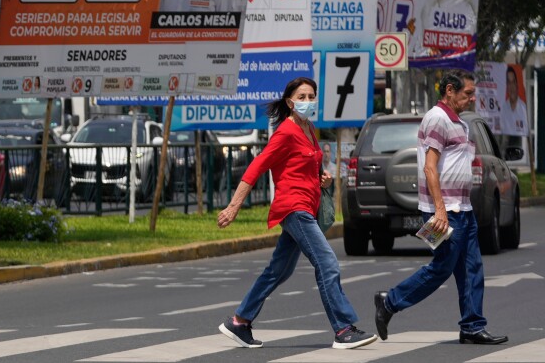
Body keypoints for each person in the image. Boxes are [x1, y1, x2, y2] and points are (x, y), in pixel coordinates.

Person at [217, 77, 377, 350]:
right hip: (294, 208)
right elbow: (257, 166)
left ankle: (239, 321)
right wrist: (234, 206)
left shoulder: (309, 129)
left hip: (307, 207)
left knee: (278, 271)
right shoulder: (286, 132)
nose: (307, 101)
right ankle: (343, 330)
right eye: (301, 97)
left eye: (311, 96)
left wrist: (322, 179)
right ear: (290, 102)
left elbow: (308, 166)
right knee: (327, 263)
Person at [374, 70, 508, 345]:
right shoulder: (437, 119)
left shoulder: (460, 123)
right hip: (443, 211)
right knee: (441, 267)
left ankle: (472, 326)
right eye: (467, 93)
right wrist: (439, 210)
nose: (472, 99)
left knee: (472, 268)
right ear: (449, 90)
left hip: (463, 209)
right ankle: (389, 302)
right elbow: (429, 167)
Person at [500, 65, 527, 136]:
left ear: (517, 84)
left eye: (513, 82)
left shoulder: (523, 108)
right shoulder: (503, 109)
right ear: (506, 85)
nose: (511, 86)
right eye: (509, 82)